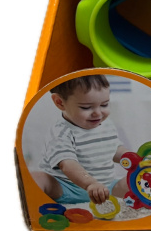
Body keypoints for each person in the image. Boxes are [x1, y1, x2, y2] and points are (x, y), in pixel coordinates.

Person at [32, 74, 128, 205]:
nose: (98, 113)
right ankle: (35, 203)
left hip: (106, 188)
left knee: (135, 181)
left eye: (104, 104)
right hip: (66, 188)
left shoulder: (107, 125)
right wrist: (90, 184)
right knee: (37, 178)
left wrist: (135, 159)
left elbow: (114, 150)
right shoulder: (61, 132)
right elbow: (67, 164)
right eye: (86, 107)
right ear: (60, 102)